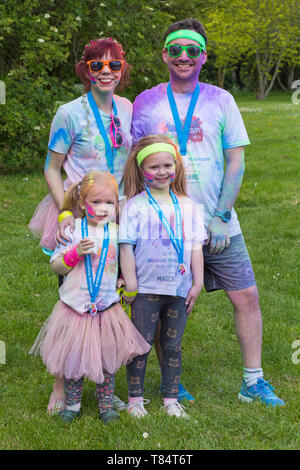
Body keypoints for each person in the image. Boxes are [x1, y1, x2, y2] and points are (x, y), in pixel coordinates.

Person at [130, 19, 284, 407]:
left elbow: (236, 162)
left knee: (246, 296)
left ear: (204, 57)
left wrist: (221, 214)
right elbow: (133, 163)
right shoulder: (146, 101)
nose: (184, 56)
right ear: (165, 54)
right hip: (164, 226)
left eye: (192, 50)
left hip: (218, 222)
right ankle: (171, 383)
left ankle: (253, 381)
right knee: (168, 304)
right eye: (176, 49)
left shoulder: (222, 99)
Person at [28, 37, 133, 414]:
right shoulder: (68, 112)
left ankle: (104, 382)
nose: (106, 72)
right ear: (85, 69)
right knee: (72, 299)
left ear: (122, 70)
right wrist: (64, 212)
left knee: (109, 298)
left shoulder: (127, 107)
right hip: (77, 215)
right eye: (97, 65)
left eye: (113, 65)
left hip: (113, 214)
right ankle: (61, 383)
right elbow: (51, 168)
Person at [30, 171, 151, 424]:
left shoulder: (118, 232)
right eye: (96, 202)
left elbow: (128, 258)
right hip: (75, 308)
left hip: (106, 308)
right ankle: (72, 405)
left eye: (109, 202)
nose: (103, 208)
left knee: (107, 361)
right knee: (73, 360)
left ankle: (106, 405)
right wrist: (74, 254)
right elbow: (56, 265)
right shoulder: (73, 231)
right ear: (82, 203)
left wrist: (123, 277)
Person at [119, 135, 205, 418]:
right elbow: (126, 249)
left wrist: (198, 282)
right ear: (142, 169)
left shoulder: (189, 206)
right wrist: (130, 285)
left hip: (178, 290)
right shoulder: (134, 206)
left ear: (177, 167)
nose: (162, 171)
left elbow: (194, 246)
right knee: (140, 345)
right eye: (154, 167)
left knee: (172, 346)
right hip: (144, 289)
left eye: (168, 165)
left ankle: (170, 399)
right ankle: (135, 400)